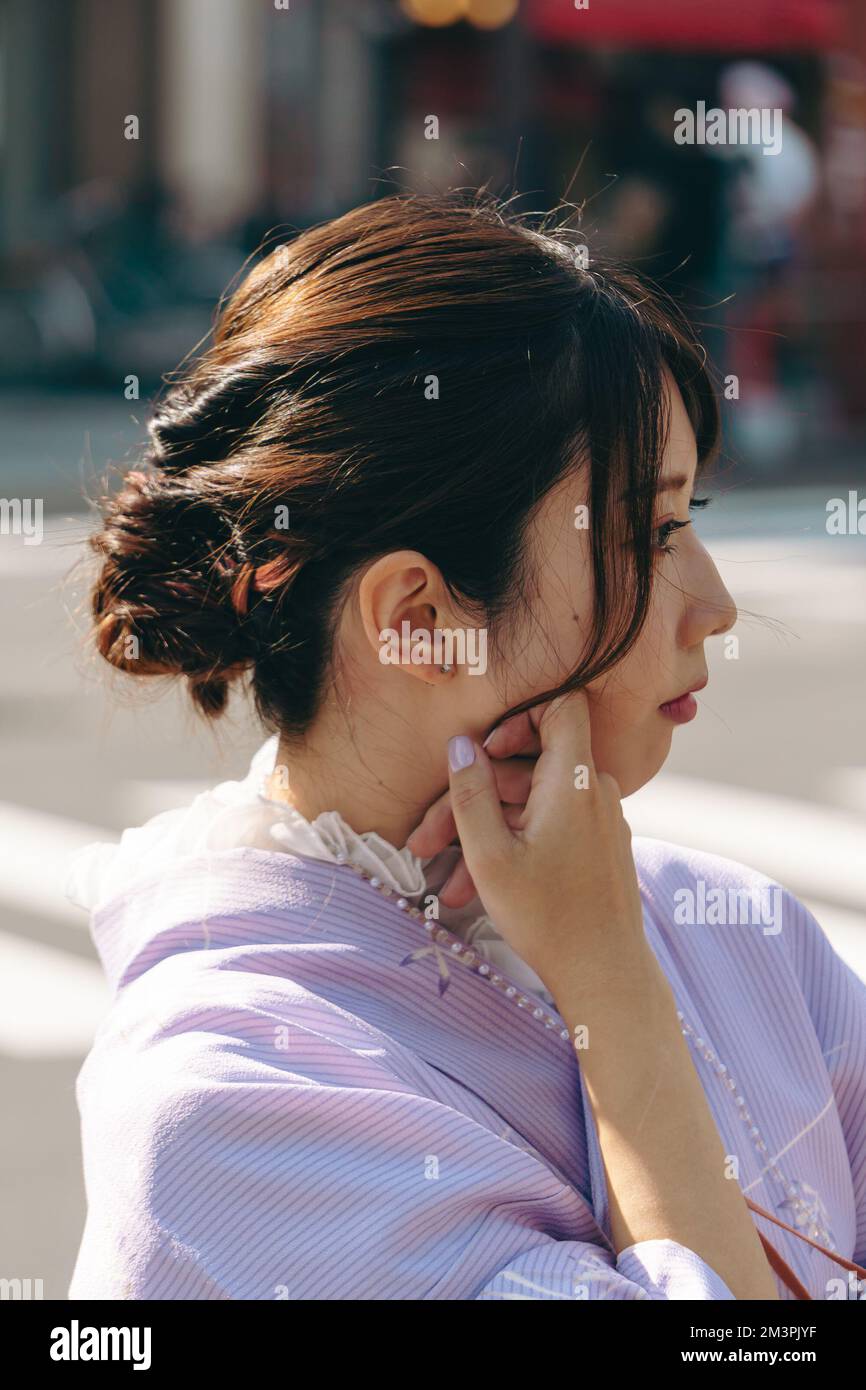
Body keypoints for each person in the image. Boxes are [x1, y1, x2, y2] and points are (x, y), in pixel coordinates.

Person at [67, 192, 866, 1301]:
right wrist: (613, 1000)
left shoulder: (743, 935)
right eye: (649, 532)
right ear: (415, 614)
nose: (714, 605)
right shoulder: (231, 1106)